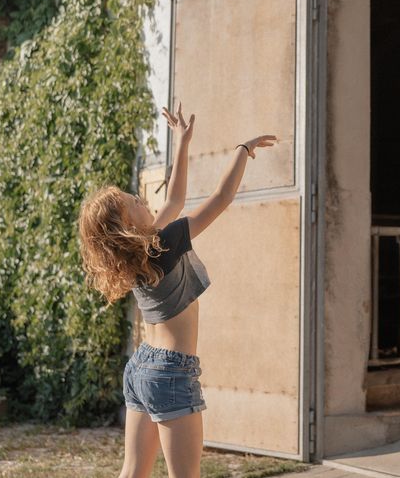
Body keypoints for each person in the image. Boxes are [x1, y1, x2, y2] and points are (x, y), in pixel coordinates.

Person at [78, 103, 275, 478]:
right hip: (170, 372)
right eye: (133, 202)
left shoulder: (140, 251)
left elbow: (174, 201)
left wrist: (182, 142)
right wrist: (242, 150)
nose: (142, 199)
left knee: (133, 471)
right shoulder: (162, 243)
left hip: (142, 368)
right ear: (126, 227)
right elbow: (220, 199)